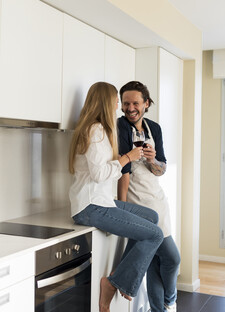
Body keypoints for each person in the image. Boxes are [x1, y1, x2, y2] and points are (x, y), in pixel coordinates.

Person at [68, 81, 164, 312]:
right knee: (155, 235)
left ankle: (119, 274)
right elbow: (100, 174)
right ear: (106, 102)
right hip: (91, 206)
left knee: (151, 217)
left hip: (100, 201)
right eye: (115, 102)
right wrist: (127, 158)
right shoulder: (96, 131)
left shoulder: (95, 129)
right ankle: (115, 283)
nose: (118, 107)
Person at [117, 81, 181, 312]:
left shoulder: (154, 127)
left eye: (135, 103)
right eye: (126, 103)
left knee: (156, 261)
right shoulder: (120, 127)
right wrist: (122, 208)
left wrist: (152, 159)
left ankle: (159, 309)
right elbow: (123, 171)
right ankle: (169, 300)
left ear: (146, 103)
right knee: (172, 258)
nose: (130, 108)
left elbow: (161, 169)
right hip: (137, 203)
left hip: (157, 200)